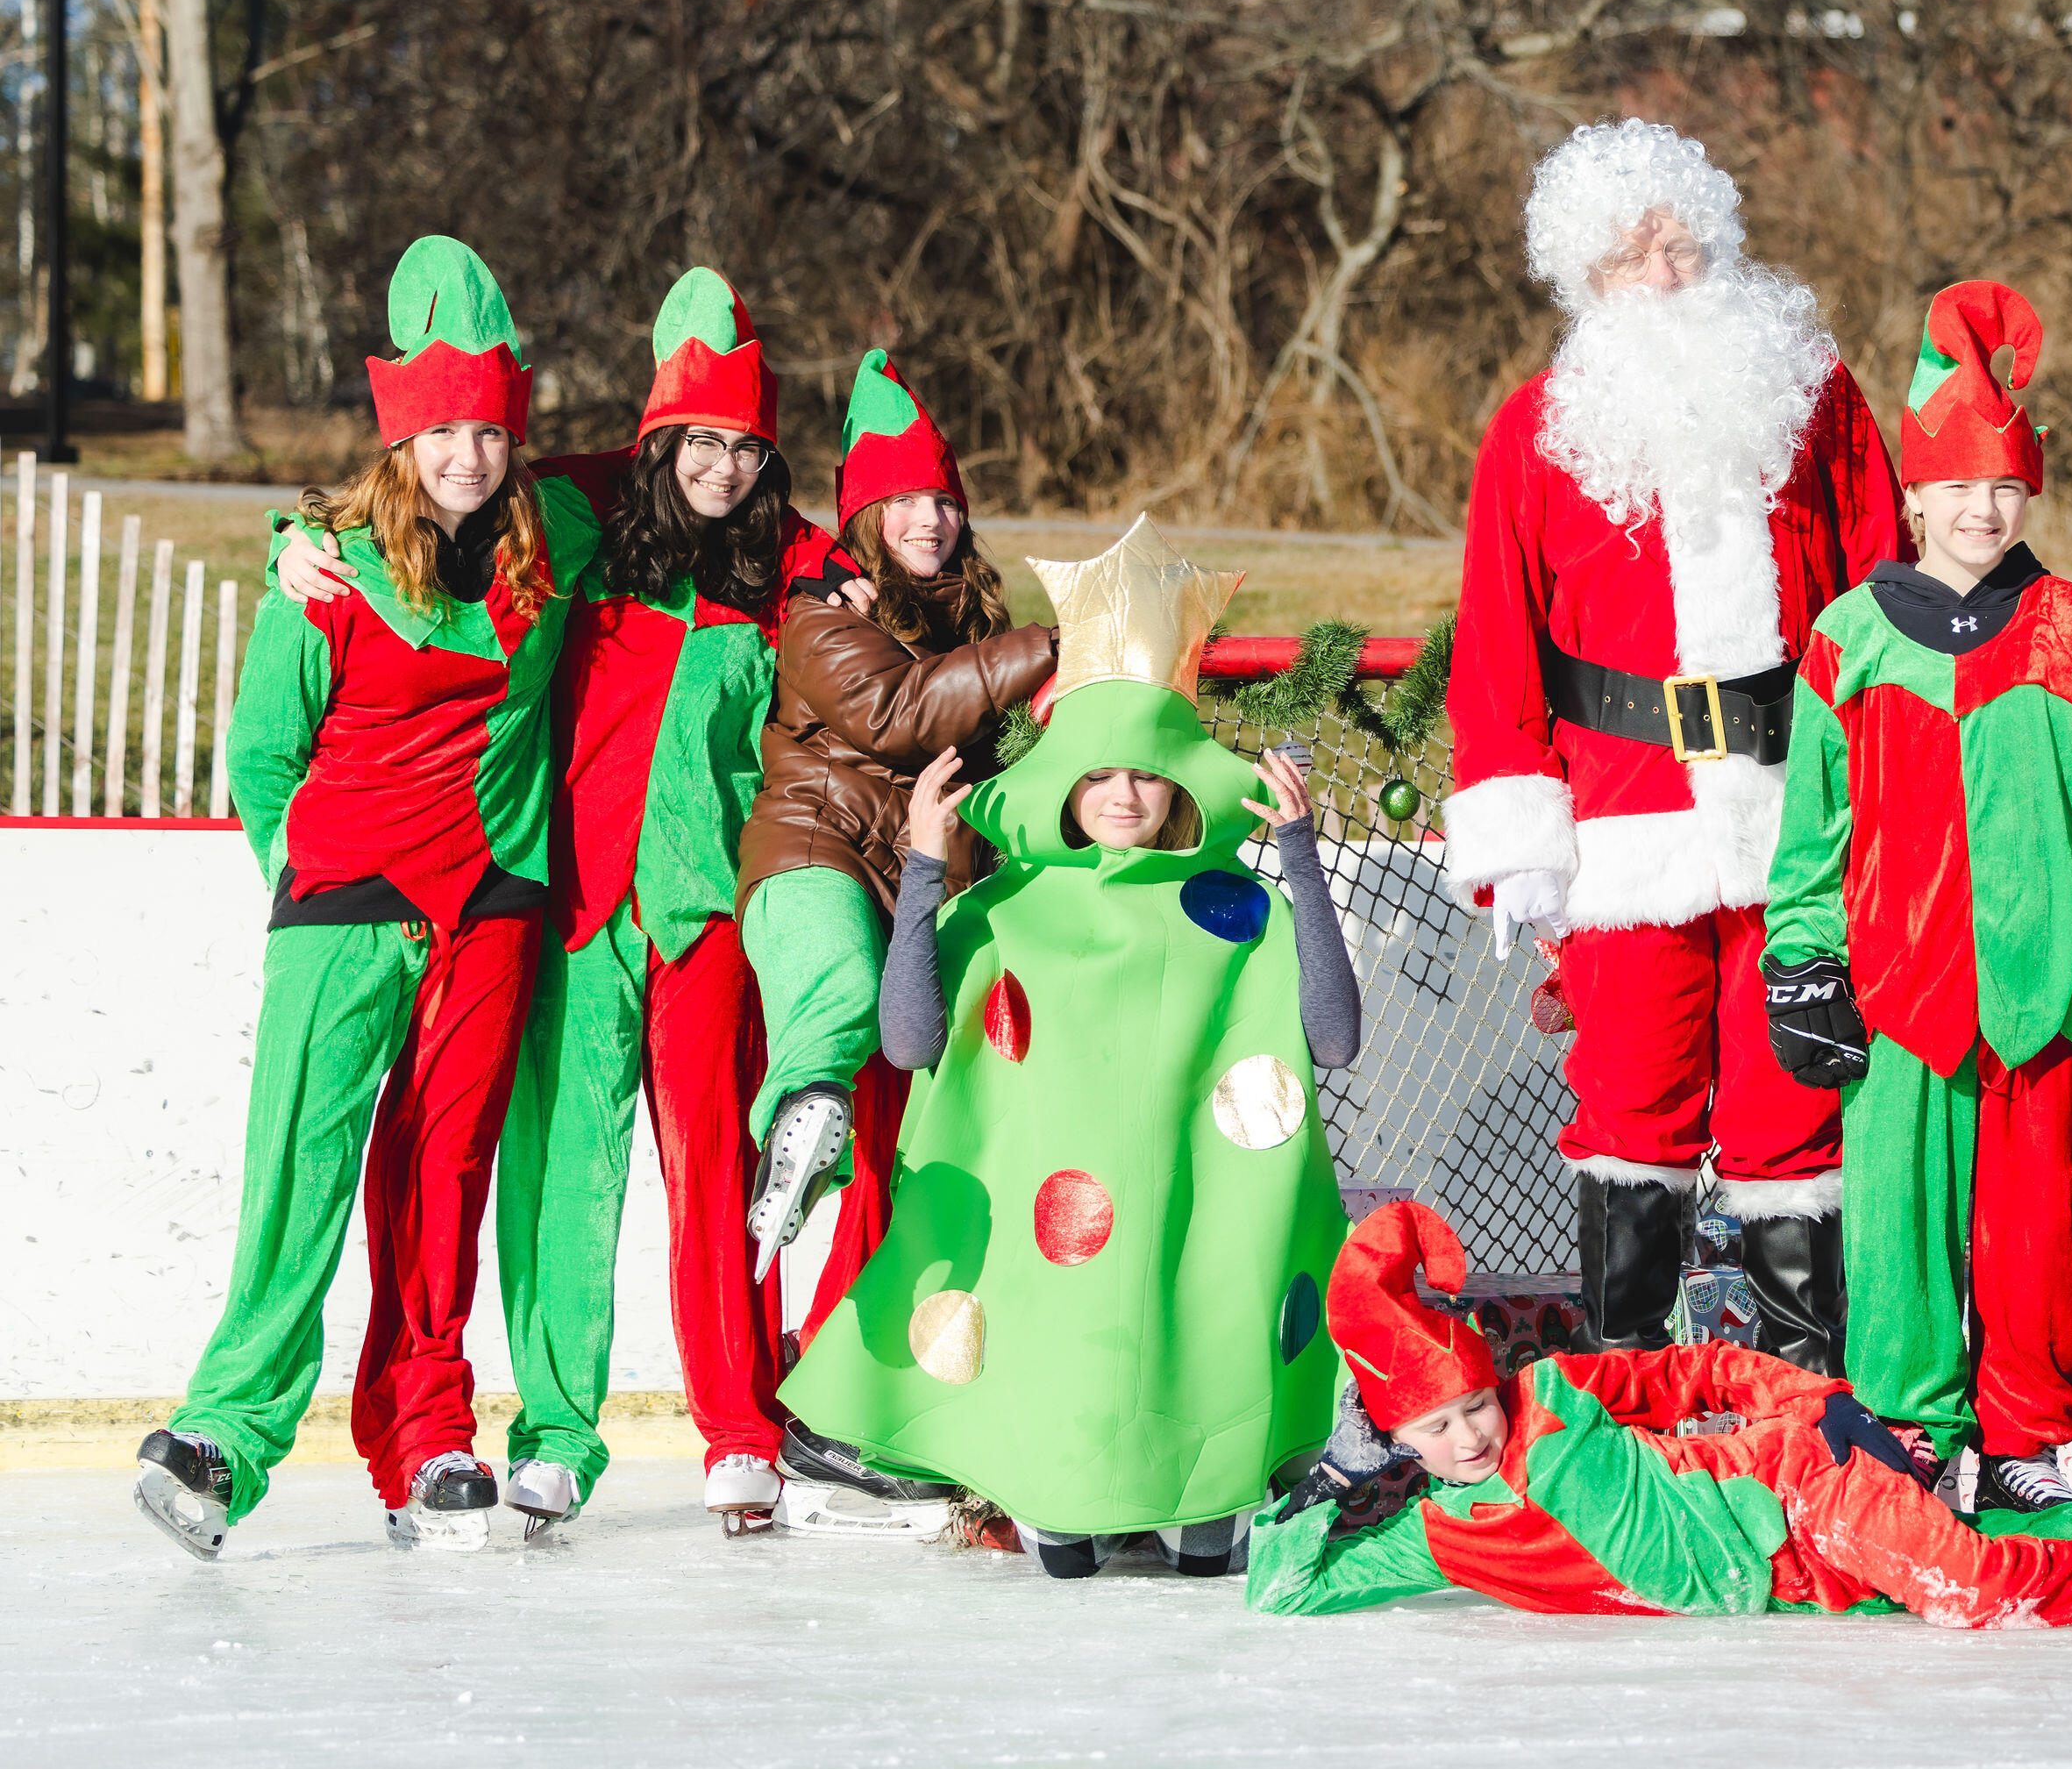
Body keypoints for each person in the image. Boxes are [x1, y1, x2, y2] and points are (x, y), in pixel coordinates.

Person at [280, 267, 818, 1537]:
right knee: (562, 1177)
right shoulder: (578, 514)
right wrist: (284, 537)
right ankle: (560, 1432)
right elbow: (418, 488)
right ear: (659, 438)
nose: (723, 468)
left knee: (713, 1167)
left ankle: (741, 1427)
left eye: (746, 448)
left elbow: (886, 569)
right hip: (574, 900)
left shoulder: (790, 561)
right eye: (701, 442)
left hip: (701, 914)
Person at [133, 237, 601, 1558]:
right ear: (403, 435)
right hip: (346, 899)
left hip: (495, 897)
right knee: (303, 1169)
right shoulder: (327, 564)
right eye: (444, 428)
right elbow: (263, 752)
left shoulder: (551, 534)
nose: (470, 453)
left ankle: (426, 1436)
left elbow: (683, 481)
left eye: (492, 427)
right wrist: (303, 868)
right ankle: (230, 1430)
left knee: (441, 1173)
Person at [775, 518, 1356, 1574]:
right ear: (1063, 787)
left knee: (1195, 1337)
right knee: (1070, 1544)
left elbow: (1334, 1037)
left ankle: (1196, 1479)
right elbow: (909, 1044)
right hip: (1053, 1277)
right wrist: (922, 871)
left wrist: (1302, 862)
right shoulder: (1004, 911)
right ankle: (1066, 1482)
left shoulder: (1239, 911)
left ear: (1182, 785)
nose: (1124, 794)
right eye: (1097, 774)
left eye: (1145, 772)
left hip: (1197, 1259)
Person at [1442, 118, 1905, 1370]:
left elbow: (1879, 602)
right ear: (1588, 277)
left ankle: (1809, 1408)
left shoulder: (1816, 399)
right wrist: (1519, 826)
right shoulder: (1535, 431)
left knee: (1797, 1103)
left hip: (1795, 811)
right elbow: (1496, 641)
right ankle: (1623, 1389)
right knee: (1632, 1103)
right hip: (1623, 817)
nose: (1667, 276)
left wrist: (1884, 796)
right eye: (1635, 255)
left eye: (1685, 247)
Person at [1761, 281, 2072, 1511]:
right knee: (1896, 1234)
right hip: (1897, 995)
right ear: (1915, 497)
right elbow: (1814, 832)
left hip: (2039, 991)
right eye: (1956, 488)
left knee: (2032, 1239)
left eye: (2003, 488)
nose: (1981, 509)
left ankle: (2034, 1438)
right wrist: (1806, 960)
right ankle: (1912, 1430)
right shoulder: (1852, 636)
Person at [1245, 1202, 2072, 1627]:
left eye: (1475, 1405)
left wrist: (1822, 1400)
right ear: (1393, 1441)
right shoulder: (1444, 1539)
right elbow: (1282, 1591)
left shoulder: (1555, 1394)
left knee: (1976, 1587)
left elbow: (1702, 1369)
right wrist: (1330, 1479)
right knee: (1986, 1539)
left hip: (1797, 1486)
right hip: (1800, 1581)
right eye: (1434, 1428)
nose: (1470, 1436)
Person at [735, 350, 1056, 1287]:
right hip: (818, 846)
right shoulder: (821, 620)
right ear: (867, 516)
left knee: (912, 1152)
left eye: (945, 502)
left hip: (922, 885)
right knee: (834, 977)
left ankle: (853, 1359)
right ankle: (801, 1120)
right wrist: (1047, 648)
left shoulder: (973, 631)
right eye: (906, 501)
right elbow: (901, 714)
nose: (930, 520)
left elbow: (987, 761)